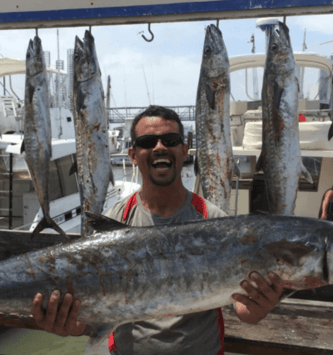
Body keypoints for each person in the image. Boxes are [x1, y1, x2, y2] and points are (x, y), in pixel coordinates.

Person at [32, 105, 284, 355]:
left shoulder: (213, 220)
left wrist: (260, 305)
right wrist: (67, 323)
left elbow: (244, 310)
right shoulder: (116, 218)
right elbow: (91, 314)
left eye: (170, 140)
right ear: (132, 154)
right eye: (148, 141)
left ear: (184, 151)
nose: (160, 147)